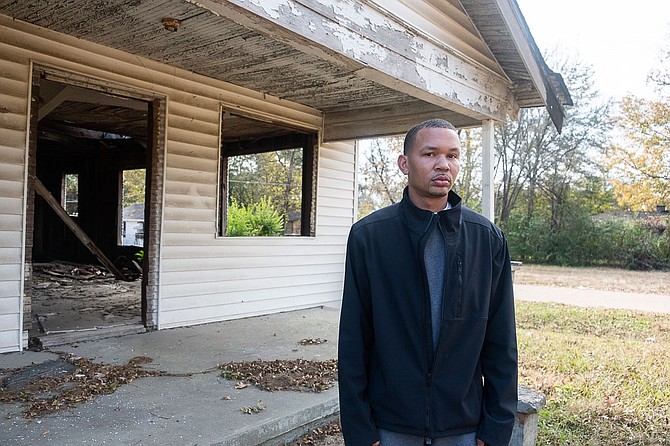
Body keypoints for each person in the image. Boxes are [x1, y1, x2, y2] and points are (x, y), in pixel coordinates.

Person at [338, 119, 518, 446]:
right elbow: (353, 340)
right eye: (430, 153)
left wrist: (496, 429)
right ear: (404, 163)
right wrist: (360, 430)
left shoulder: (487, 239)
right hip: (390, 426)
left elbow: (501, 342)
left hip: (463, 427)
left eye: (453, 155)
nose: (443, 164)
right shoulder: (370, 237)